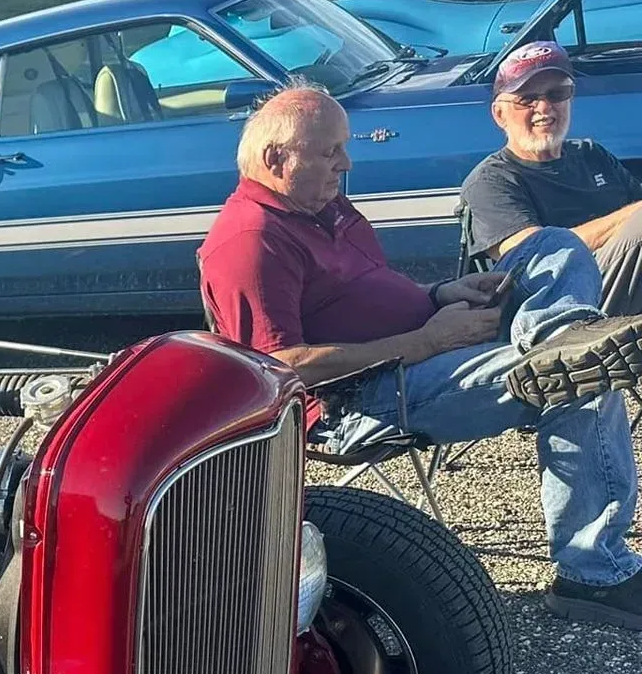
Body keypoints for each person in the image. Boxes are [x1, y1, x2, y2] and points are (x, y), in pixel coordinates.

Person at [198, 84, 642, 630]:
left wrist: (441, 295)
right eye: (331, 151)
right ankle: (592, 574)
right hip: (363, 399)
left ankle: (557, 335)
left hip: (429, 345)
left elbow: (371, 291)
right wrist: (426, 341)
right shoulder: (250, 239)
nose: (347, 162)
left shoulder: (321, 205)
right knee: (578, 381)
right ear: (276, 159)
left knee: (553, 246)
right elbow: (278, 368)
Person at [461, 41, 642, 315]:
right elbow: (535, 256)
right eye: (527, 99)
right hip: (564, 306)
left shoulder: (591, 154)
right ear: (499, 114)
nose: (544, 108)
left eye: (557, 94)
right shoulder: (490, 181)